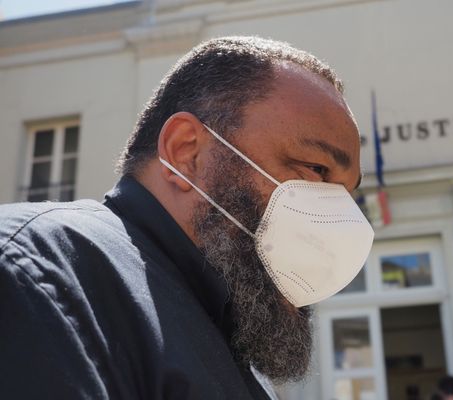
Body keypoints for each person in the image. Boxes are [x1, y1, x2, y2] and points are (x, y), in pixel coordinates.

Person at [0, 36, 373, 399]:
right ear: (185, 153)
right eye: (316, 169)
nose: (339, 217)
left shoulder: (236, 349)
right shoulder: (38, 272)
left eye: (347, 193)